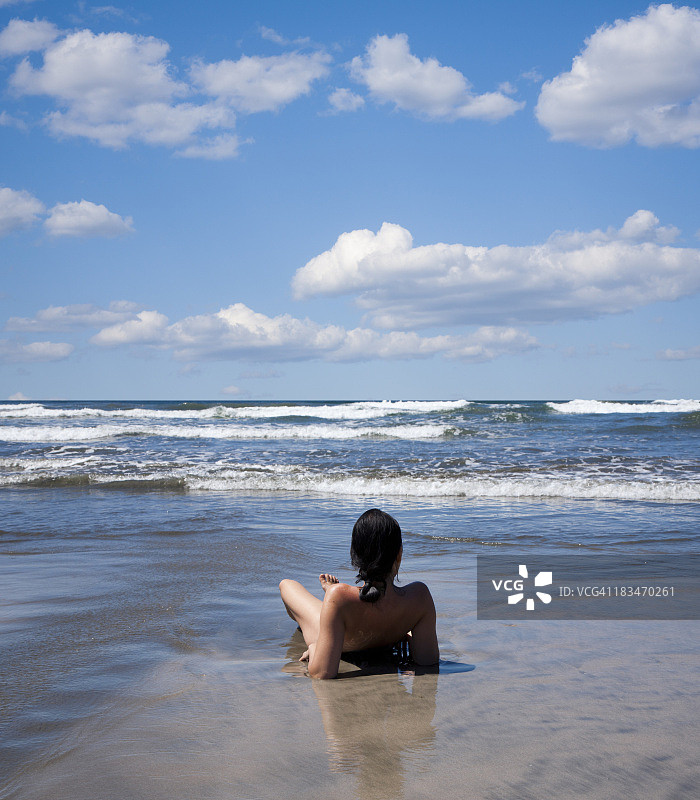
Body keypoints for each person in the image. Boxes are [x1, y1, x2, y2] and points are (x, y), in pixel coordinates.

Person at [279, 508, 439, 679]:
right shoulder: (419, 597)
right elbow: (427, 660)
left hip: (337, 638)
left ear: (355, 556)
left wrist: (314, 647)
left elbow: (322, 673)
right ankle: (333, 605)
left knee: (287, 585)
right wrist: (406, 631)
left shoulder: (340, 596)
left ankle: (332, 604)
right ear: (399, 555)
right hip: (383, 629)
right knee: (336, 598)